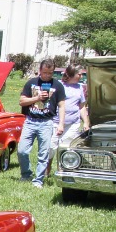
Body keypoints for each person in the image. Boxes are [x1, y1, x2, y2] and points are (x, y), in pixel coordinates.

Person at [17, 59, 67, 188]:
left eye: (50, 73)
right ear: (40, 71)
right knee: (22, 150)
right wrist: (37, 98)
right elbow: (22, 101)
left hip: (46, 122)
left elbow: (62, 106)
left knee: (43, 153)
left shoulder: (58, 85)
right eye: (45, 72)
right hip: (30, 121)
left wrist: (61, 124)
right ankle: (26, 174)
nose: (47, 75)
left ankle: (38, 180)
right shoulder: (32, 83)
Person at [58, 65, 89, 146]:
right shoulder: (59, 85)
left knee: (66, 147)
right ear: (72, 74)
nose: (81, 76)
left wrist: (85, 122)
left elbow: (82, 107)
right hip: (56, 123)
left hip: (73, 124)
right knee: (51, 149)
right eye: (79, 74)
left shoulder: (79, 87)